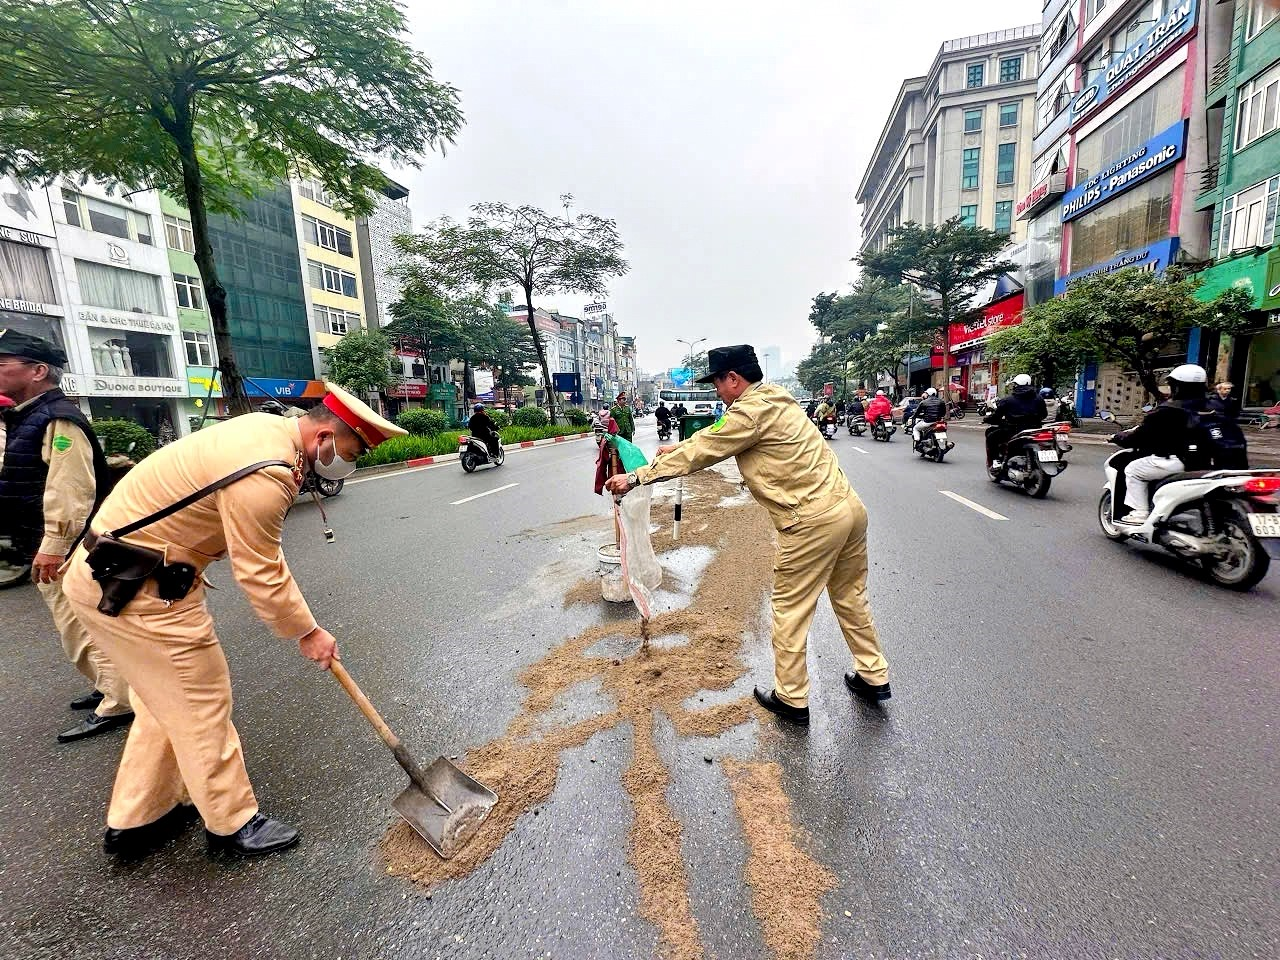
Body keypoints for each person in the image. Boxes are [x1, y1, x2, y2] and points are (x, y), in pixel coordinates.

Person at [61, 384, 407, 858]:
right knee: (200, 700)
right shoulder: (268, 473)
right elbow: (260, 569)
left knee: (167, 700)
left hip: (111, 575)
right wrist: (308, 632)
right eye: (354, 451)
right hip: (140, 589)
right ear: (325, 436)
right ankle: (231, 823)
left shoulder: (265, 429)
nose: (353, 463)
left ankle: (141, 816)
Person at [605, 345, 890, 726]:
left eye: (718, 383)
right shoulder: (775, 399)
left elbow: (708, 448)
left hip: (811, 520)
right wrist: (681, 446)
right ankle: (873, 675)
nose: (717, 392)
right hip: (848, 509)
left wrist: (636, 476)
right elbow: (717, 435)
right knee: (851, 596)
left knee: (789, 609)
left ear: (734, 379)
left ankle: (791, 698)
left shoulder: (749, 412)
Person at [0, 331, 134, 743]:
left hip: (66, 546)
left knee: (83, 625)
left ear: (38, 371)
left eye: (5, 364)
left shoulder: (59, 420)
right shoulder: (25, 417)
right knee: (73, 625)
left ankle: (118, 700)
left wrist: (53, 546)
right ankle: (107, 687)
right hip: (37, 538)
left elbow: (70, 490)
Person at [1109, 365, 1211, 523]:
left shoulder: (1168, 410)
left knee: (1132, 470)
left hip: (1177, 461)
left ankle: (1139, 512)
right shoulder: (1215, 408)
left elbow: (1140, 437)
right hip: (1208, 463)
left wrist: (1119, 438)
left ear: (1176, 386)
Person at [983, 374, 1047, 468]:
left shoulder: (1008, 400)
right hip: (1034, 430)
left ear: (1016, 385)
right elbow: (1044, 414)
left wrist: (987, 419)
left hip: (1013, 431)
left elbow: (996, 416)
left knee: (991, 436)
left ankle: (996, 461)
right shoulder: (1039, 399)